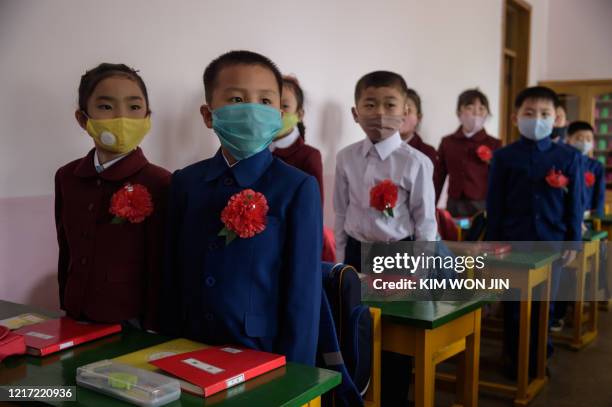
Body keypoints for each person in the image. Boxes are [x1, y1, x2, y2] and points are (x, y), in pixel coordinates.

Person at [161, 51, 322, 366]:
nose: (251, 111)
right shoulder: (185, 182)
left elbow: (303, 294)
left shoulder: (297, 187)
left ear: (278, 114)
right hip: (189, 346)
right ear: (208, 115)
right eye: (236, 99)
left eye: (264, 101)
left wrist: (297, 374)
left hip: (261, 351)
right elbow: (171, 273)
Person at [333, 70, 437, 406]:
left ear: (406, 111)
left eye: (390, 104)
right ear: (355, 112)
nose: (380, 113)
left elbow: (426, 223)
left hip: (399, 255)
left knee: (395, 337)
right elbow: (339, 212)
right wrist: (339, 262)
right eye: (370, 104)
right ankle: (358, 396)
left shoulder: (416, 162)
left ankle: (393, 399)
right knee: (354, 329)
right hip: (355, 252)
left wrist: (421, 273)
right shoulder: (345, 157)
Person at [55, 63, 170, 331]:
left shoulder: (160, 181)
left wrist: (154, 326)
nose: (122, 117)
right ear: (84, 119)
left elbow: (160, 265)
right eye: (106, 107)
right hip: (75, 312)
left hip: (132, 320)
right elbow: (66, 248)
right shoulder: (66, 177)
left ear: (147, 117)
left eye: (134, 107)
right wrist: (65, 302)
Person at [486, 86, 582, 376]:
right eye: (529, 113)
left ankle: (541, 357)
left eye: (544, 114)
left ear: (556, 119)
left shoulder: (568, 157)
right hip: (514, 241)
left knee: (545, 304)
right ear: (516, 118)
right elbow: (495, 203)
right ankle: (514, 359)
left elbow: (575, 204)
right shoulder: (503, 157)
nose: (537, 119)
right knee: (514, 306)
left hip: (552, 241)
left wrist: (573, 242)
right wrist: (493, 243)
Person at [436, 89, 501, 217]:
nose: (476, 113)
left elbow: (499, 180)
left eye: (481, 108)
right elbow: (438, 176)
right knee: (454, 235)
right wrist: (432, 205)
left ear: (487, 113)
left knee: (479, 235)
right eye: (470, 107)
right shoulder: (447, 142)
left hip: (482, 203)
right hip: (454, 202)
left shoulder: (495, 144)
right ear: (459, 112)